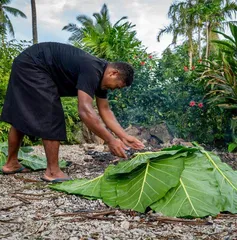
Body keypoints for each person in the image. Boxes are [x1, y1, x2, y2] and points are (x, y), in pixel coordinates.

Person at [0, 42, 144, 182]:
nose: (114, 90)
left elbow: (105, 110)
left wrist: (123, 136)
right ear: (113, 73)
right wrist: (111, 140)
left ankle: (11, 164)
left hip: (29, 63)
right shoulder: (92, 69)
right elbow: (85, 111)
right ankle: (52, 172)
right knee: (52, 115)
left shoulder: (102, 79)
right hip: (33, 64)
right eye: (117, 86)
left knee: (22, 116)